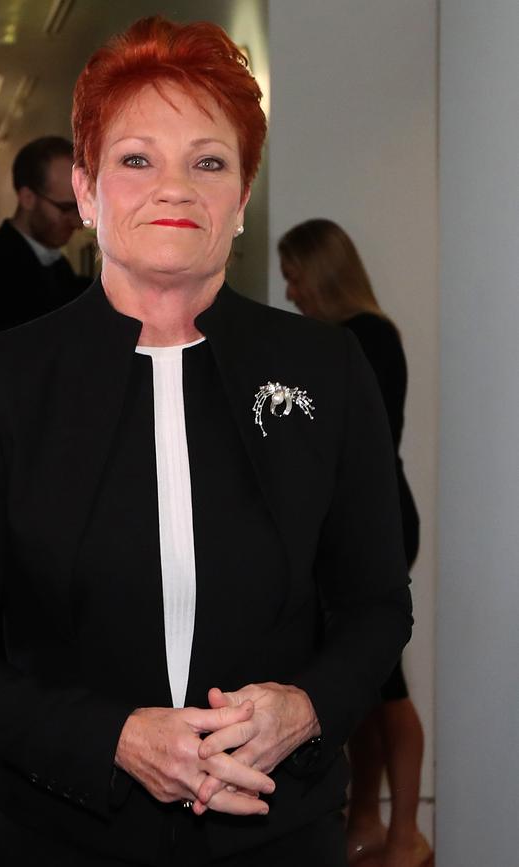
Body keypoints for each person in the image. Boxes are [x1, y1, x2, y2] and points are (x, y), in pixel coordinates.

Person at [0, 18, 412, 867]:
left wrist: (306, 707)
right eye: (137, 159)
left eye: (209, 161)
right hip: (61, 842)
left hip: (280, 837)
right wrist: (116, 737)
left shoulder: (324, 364)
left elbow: (376, 606)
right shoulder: (5, 380)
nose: (175, 187)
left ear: (241, 197)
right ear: (89, 191)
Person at [278, 218, 432, 867]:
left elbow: (346, 447)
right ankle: (367, 819)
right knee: (364, 684)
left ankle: (403, 834)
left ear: (319, 273)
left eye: (294, 278)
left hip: (375, 520)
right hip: (354, 519)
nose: (290, 293)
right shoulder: (352, 337)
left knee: (387, 687)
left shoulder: (361, 339)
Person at [0, 136, 88, 334]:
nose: (78, 222)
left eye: (80, 209)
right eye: (66, 208)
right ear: (28, 198)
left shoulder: (54, 263)